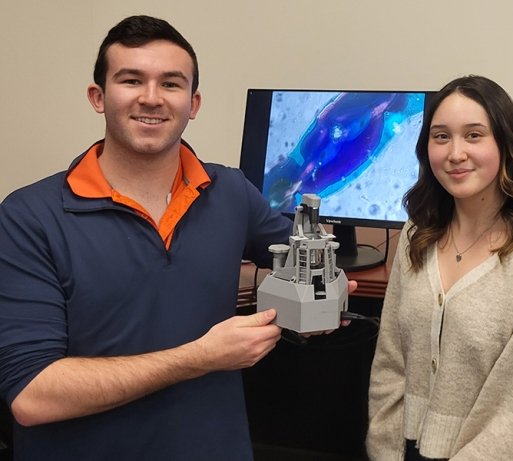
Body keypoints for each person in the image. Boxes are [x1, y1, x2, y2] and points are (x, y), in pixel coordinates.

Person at [0, 15, 342, 460]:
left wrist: (319, 307)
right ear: (98, 97)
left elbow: (303, 256)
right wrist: (200, 356)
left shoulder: (230, 192)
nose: (151, 98)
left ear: (193, 102)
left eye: (171, 83)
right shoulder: (29, 217)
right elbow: (32, 396)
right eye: (131, 80)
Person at [366, 75, 513, 460]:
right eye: (441, 136)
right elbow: (390, 363)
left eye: (473, 135)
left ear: (505, 143)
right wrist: (385, 452)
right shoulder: (418, 234)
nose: (455, 153)